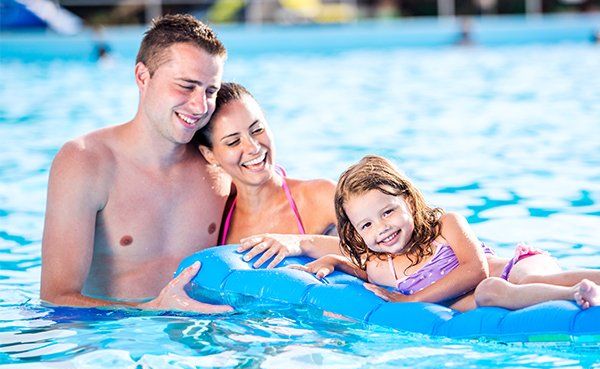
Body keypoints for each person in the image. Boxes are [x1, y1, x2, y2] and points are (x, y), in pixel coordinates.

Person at [41, 15, 232, 313]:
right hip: (113, 343)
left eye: (210, 91)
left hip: (198, 342)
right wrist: (151, 310)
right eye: (186, 86)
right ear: (143, 77)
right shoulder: (85, 162)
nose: (200, 106)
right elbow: (56, 298)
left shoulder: (220, 168)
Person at [295, 155, 600, 311]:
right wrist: (335, 262)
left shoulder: (446, 225)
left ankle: (580, 288)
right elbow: (363, 272)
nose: (382, 228)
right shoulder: (380, 266)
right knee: (489, 293)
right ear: (357, 233)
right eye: (367, 225)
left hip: (517, 267)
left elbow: (476, 270)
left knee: (524, 280)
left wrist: (411, 301)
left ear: (409, 202)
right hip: (491, 291)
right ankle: (575, 294)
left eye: (387, 212)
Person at [194, 82, 340, 268]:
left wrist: (302, 243)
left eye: (257, 130)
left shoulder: (321, 196)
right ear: (210, 154)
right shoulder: (218, 224)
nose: (253, 147)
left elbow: (382, 254)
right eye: (233, 142)